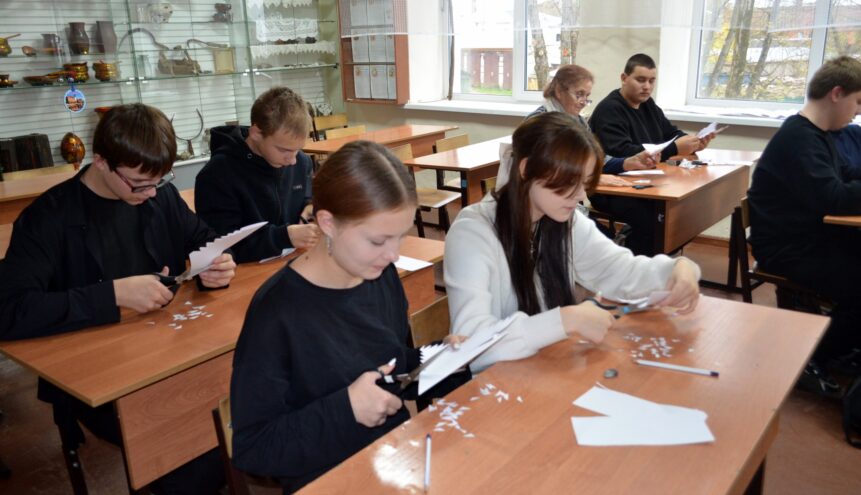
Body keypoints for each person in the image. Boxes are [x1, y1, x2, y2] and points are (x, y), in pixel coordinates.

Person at [0, 103, 236, 494]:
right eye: (138, 184)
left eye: (159, 182)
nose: (149, 194)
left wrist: (213, 268)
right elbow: (8, 310)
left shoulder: (160, 196)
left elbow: (202, 241)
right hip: (97, 376)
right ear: (101, 162)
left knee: (237, 414)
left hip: (171, 354)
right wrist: (110, 295)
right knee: (186, 461)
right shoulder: (49, 217)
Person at [230, 141, 470, 493]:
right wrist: (347, 409)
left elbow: (393, 367)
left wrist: (447, 360)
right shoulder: (276, 313)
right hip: (329, 478)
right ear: (327, 223)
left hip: (395, 460)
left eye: (400, 237)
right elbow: (254, 449)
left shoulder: (379, 274)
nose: (392, 255)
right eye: (378, 241)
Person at [444, 112, 701, 373]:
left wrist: (677, 269)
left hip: (547, 368)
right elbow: (471, 343)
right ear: (525, 169)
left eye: (585, 183)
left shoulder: (564, 220)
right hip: (497, 385)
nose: (580, 195)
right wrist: (564, 321)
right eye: (569, 182)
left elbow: (620, 271)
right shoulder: (473, 232)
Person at [748, 56, 861, 384]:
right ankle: (813, 357)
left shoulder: (819, 133)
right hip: (788, 248)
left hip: (811, 237)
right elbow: (834, 197)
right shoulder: (799, 137)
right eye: (857, 102)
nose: (857, 112)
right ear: (837, 94)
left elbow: (844, 173)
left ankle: (843, 343)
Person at [588, 54, 715, 255]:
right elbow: (623, 154)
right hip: (613, 188)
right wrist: (674, 149)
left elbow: (670, 132)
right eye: (640, 80)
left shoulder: (648, 105)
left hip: (647, 182)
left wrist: (693, 143)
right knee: (656, 219)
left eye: (651, 81)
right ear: (624, 78)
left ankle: (650, 254)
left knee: (684, 211)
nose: (646, 86)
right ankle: (628, 258)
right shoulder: (610, 109)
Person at [195, 86, 319, 263]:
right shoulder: (217, 175)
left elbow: (306, 199)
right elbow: (220, 246)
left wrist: (310, 207)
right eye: (284, 150)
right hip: (243, 276)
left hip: (294, 265)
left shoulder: (301, 162)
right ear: (256, 133)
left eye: (298, 149)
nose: (292, 160)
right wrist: (283, 237)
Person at [525, 63, 657, 178]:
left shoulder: (579, 122)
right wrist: (590, 179)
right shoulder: (538, 122)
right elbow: (543, 170)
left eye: (587, 96)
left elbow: (596, 158)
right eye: (579, 94)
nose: (583, 102)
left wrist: (628, 162)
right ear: (559, 91)